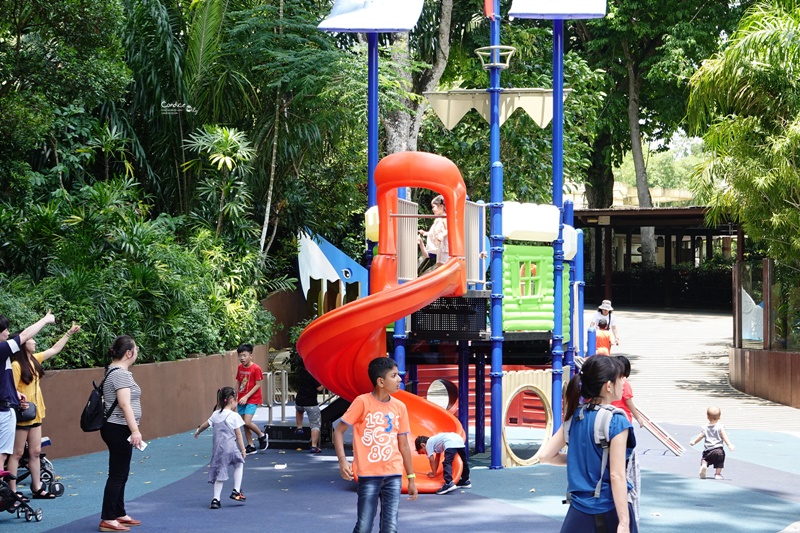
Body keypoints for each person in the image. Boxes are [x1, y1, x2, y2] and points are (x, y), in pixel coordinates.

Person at [532, 356, 637, 533]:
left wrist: (577, 459)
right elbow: (616, 475)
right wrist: (624, 522)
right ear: (609, 386)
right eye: (620, 378)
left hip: (579, 511)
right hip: (609, 508)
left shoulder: (575, 417)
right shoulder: (616, 421)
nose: (623, 382)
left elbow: (545, 456)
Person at [333, 357, 418, 533]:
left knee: (390, 528)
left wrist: (411, 478)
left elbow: (403, 445)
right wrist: (343, 460)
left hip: (393, 474)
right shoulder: (362, 402)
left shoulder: (400, 407)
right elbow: (338, 431)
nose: (400, 379)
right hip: (369, 475)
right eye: (394, 375)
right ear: (380, 381)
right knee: (364, 526)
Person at [7, 321, 81, 499]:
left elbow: (54, 350)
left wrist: (69, 334)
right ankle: (12, 491)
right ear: (24, 344)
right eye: (31, 339)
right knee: (17, 454)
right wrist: (19, 401)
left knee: (35, 452)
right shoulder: (16, 366)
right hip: (23, 414)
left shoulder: (34, 359)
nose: (34, 342)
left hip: (36, 413)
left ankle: (37, 487)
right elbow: (10, 389)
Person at [0, 312, 54, 497]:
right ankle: (7, 494)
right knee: (6, 455)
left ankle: (30, 488)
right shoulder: (4, 352)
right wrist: (45, 320)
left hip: (11, 408)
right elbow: (23, 336)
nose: (8, 333)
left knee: (30, 452)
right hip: (6, 411)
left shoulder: (9, 357)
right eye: (5, 330)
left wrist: (15, 394)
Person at [99, 335, 144, 533]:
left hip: (118, 427)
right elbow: (124, 403)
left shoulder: (117, 371)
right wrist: (135, 430)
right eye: (136, 350)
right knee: (117, 474)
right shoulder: (120, 374)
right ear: (128, 353)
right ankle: (108, 518)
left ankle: (118, 512)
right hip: (118, 428)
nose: (137, 354)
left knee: (122, 473)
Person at [195, 386, 247, 509]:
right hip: (231, 447)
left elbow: (204, 425)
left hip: (218, 450)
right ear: (232, 400)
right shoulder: (234, 416)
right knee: (239, 464)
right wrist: (243, 449)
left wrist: (198, 431)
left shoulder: (215, 414)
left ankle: (215, 499)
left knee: (220, 473)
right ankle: (236, 490)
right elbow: (238, 435)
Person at [234, 343, 267, 455]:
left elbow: (258, 384)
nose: (242, 358)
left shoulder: (256, 368)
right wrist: (236, 396)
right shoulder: (240, 368)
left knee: (246, 421)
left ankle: (262, 435)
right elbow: (238, 381)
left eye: (244, 355)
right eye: (240, 356)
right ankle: (251, 445)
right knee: (244, 423)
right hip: (241, 399)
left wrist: (247, 396)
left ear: (251, 356)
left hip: (252, 399)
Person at [689, 406, 735, 480]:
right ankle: (717, 474)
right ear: (719, 417)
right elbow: (724, 436)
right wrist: (729, 444)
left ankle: (704, 465)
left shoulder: (705, 427)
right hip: (718, 450)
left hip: (708, 450)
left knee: (705, 459)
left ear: (707, 416)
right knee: (719, 462)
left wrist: (694, 441)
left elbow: (701, 436)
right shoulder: (720, 427)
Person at [294, 357, 324, 453]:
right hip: (311, 403)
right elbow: (319, 388)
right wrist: (326, 383)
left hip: (299, 400)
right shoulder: (312, 373)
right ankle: (314, 446)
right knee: (315, 424)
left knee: (299, 410)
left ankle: (299, 427)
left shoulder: (300, 372)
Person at [611, 356, 644, 428]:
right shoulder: (624, 384)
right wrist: (638, 417)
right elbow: (628, 401)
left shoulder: (609, 383)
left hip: (610, 414)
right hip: (623, 415)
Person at [418, 194, 449, 270]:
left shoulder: (444, 218)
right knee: (439, 265)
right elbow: (435, 232)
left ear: (441, 206)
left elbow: (448, 230)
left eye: (433, 207)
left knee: (443, 266)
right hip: (440, 247)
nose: (432, 209)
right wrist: (426, 233)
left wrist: (442, 235)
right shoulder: (438, 219)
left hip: (445, 247)